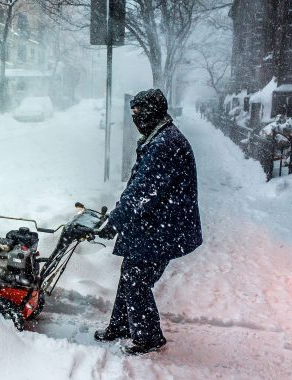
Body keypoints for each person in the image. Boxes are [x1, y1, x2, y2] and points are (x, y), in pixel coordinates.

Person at [95, 88, 203, 355]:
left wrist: (115, 221)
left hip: (164, 227)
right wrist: (118, 217)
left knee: (137, 278)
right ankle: (121, 325)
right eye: (133, 112)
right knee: (130, 272)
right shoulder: (160, 137)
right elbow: (139, 188)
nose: (135, 117)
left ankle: (149, 338)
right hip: (155, 223)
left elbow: (143, 190)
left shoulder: (165, 144)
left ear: (152, 112)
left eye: (139, 112)